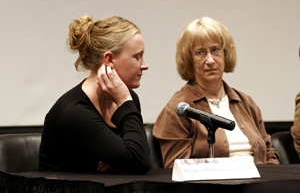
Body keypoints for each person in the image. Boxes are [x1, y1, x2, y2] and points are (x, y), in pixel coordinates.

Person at [153, 17, 279, 168]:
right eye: (200, 52)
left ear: (226, 54)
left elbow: (269, 153)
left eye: (215, 50)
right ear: (189, 60)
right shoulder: (179, 108)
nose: (210, 60)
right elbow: (176, 167)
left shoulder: (246, 102)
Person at [38, 15, 151, 174]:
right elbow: (140, 161)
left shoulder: (129, 98)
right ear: (109, 59)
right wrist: (125, 101)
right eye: (137, 57)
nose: (145, 65)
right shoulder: (73, 112)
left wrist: (123, 161)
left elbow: (137, 157)